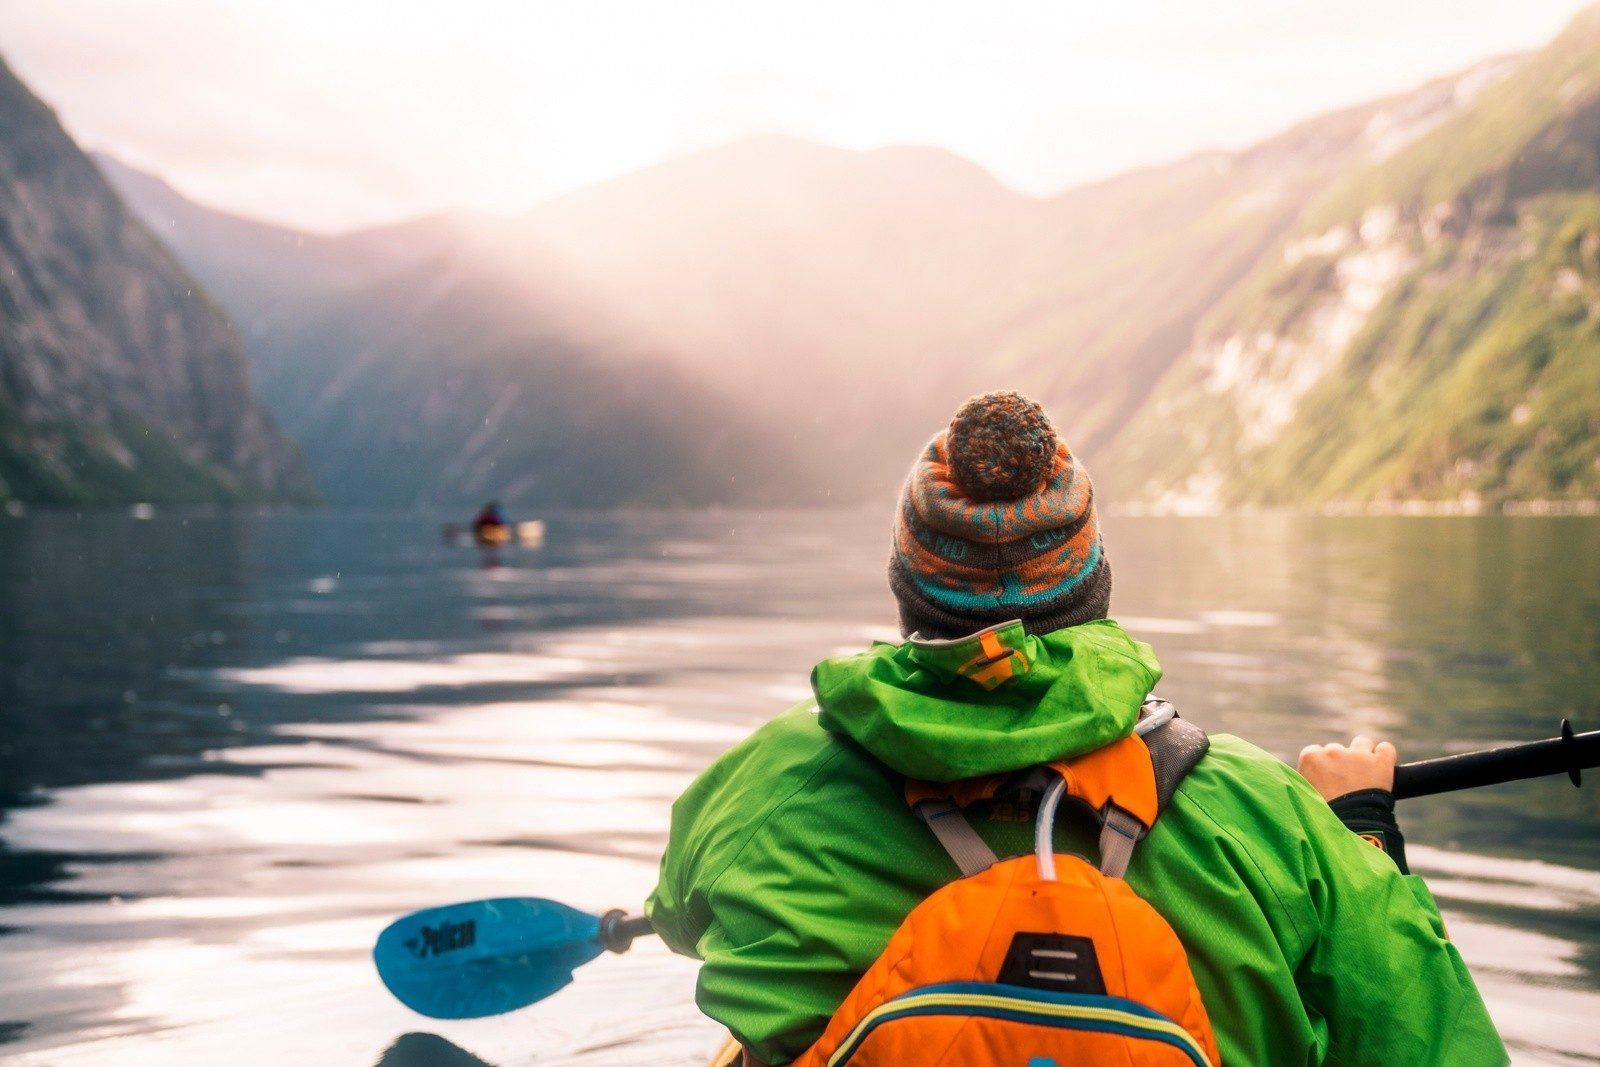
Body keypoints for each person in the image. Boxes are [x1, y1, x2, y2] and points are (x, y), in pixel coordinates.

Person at [647, 392, 1506, 1066]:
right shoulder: (1264, 814)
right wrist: (1358, 833)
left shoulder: (764, 786)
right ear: (1094, 583)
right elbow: (1429, 1041)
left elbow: (681, 918)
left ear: (907, 589)